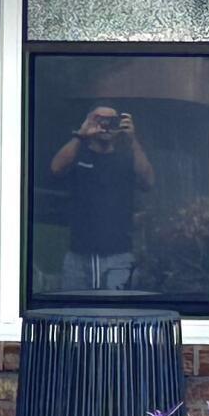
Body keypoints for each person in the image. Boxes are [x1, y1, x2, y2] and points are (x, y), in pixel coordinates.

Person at [49, 102, 153, 293]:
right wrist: (82, 134)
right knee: (74, 316)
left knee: (117, 316)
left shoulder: (126, 158)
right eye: (99, 120)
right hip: (78, 255)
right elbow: (56, 168)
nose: (105, 126)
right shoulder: (78, 154)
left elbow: (147, 181)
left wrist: (132, 139)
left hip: (119, 254)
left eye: (111, 121)